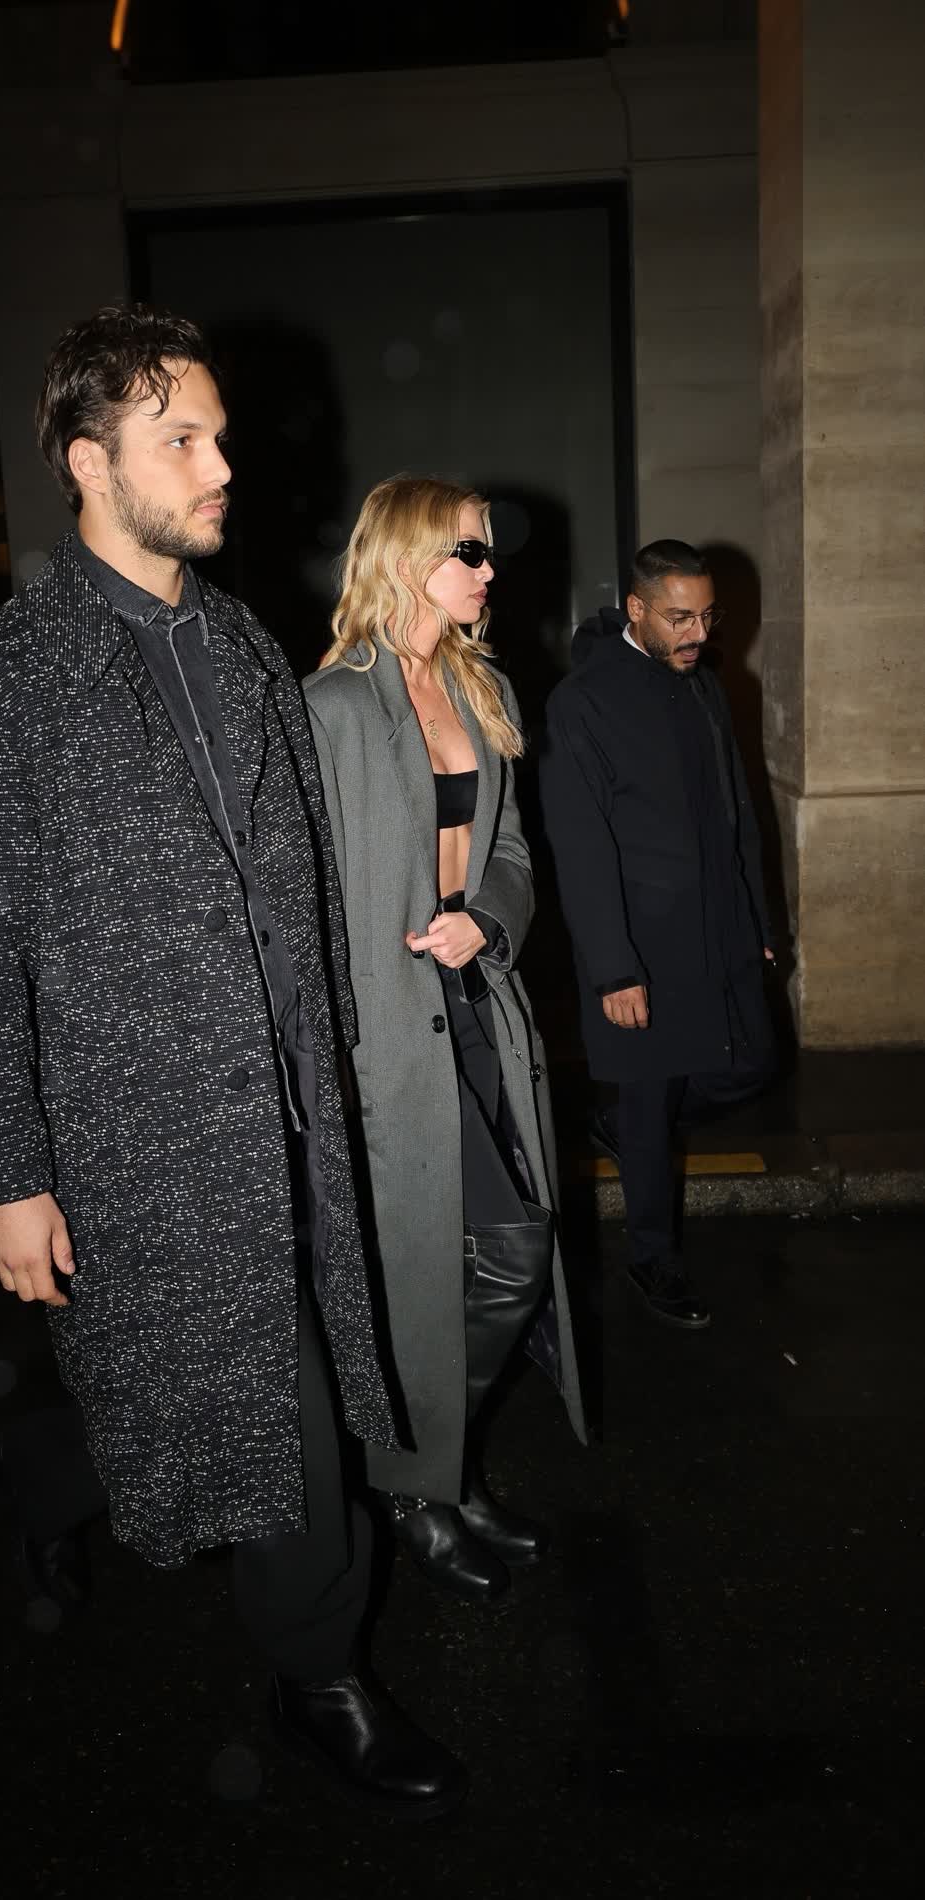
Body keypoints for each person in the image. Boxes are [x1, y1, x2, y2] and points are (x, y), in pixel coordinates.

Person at [0, 305, 465, 1817]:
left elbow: (299, 882)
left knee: (220, 1391)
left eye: (219, 436)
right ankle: (319, 1676)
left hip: (285, 1119)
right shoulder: (7, 679)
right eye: (183, 441)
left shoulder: (244, 646)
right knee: (269, 1409)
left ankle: (44, 1471)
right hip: (132, 1137)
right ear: (91, 462)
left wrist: (338, 1068)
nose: (223, 468)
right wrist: (8, 1175)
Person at [302, 477, 586, 1605]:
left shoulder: (482, 685)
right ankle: (418, 1485)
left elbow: (511, 852)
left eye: (487, 551)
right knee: (456, 1261)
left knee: (505, 1252)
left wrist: (487, 922)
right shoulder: (331, 706)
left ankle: (432, 1471)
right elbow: (300, 894)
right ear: (408, 557)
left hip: (478, 1003)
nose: (488, 569)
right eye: (468, 550)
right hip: (387, 1033)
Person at [538, 539, 776, 1329]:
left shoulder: (703, 682)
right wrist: (613, 968)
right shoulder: (583, 702)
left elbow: (737, 813)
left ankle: (617, 1128)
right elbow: (580, 845)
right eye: (679, 617)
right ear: (635, 609)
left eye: (707, 616)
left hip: (720, 923)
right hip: (640, 941)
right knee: (649, 1098)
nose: (698, 633)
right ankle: (652, 1257)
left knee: (751, 1062)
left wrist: (757, 918)